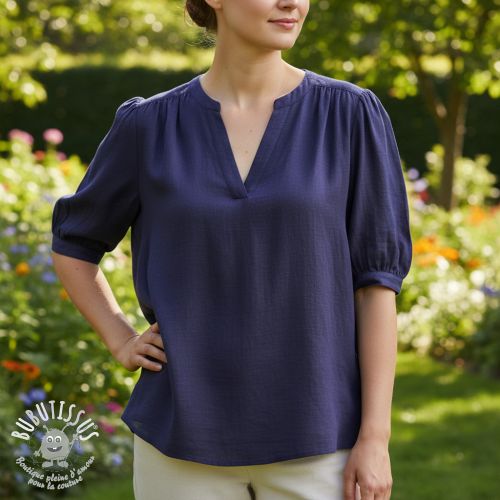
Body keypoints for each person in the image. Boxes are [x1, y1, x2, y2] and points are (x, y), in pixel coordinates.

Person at [51, 0, 412, 498]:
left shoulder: (349, 115)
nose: (292, 3)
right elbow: (74, 244)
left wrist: (375, 437)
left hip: (321, 439)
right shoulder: (148, 126)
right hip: (180, 442)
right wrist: (120, 338)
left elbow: (376, 285)